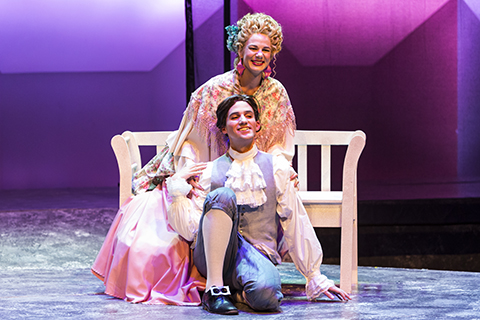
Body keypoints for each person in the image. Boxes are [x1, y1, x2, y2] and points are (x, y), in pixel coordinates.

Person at [91, 13, 297, 305]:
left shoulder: (277, 93)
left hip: (256, 173)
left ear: (273, 53)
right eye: (253, 48)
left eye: (266, 50)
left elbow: (279, 143)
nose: (259, 55)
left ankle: (243, 278)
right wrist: (196, 173)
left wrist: (280, 168)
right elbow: (193, 138)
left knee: (265, 293)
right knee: (156, 211)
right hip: (214, 170)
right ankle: (211, 283)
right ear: (240, 50)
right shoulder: (215, 89)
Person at [166, 94, 351, 315]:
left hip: (258, 256)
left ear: (257, 124)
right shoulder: (208, 171)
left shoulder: (277, 168)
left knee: (268, 298)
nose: (243, 120)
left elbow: (295, 221)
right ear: (224, 128)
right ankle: (214, 291)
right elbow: (190, 230)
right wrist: (178, 188)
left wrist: (314, 275)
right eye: (234, 117)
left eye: (248, 115)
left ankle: (235, 293)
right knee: (222, 196)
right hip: (214, 257)